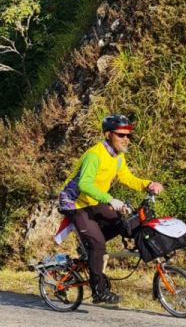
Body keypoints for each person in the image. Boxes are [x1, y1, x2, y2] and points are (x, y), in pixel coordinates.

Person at [56, 113, 163, 305]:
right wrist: (109, 199)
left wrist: (148, 184)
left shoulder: (118, 157)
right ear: (108, 134)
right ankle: (99, 291)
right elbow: (84, 184)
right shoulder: (94, 155)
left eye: (128, 135)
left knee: (124, 222)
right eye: (121, 135)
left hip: (93, 200)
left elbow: (127, 178)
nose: (126, 139)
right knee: (98, 245)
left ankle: (87, 246)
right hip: (75, 203)